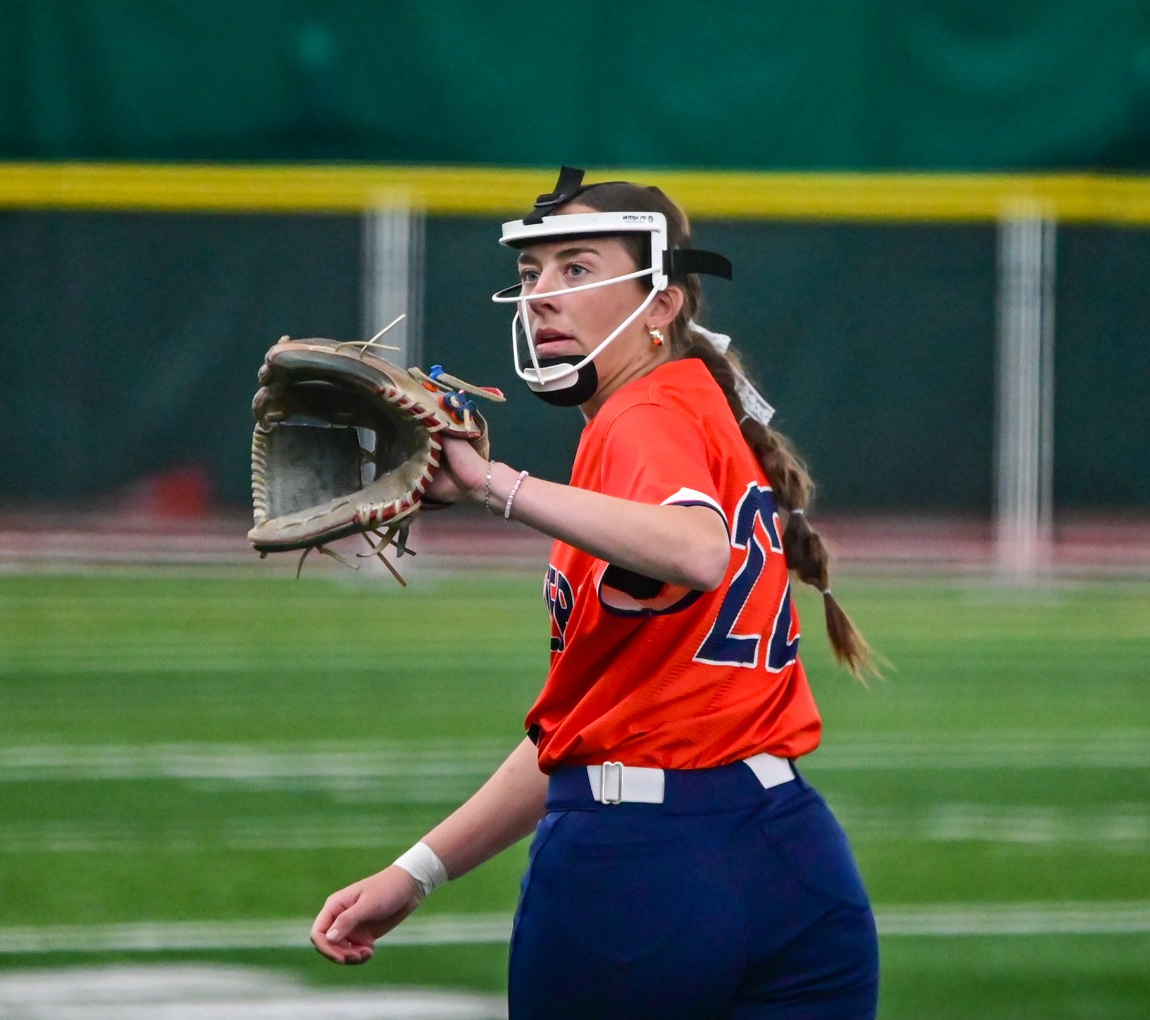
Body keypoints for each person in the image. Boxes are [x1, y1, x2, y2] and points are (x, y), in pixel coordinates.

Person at [310, 167, 880, 1019]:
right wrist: (418, 871)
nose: (541, 296)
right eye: (534, 274)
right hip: (792, 854)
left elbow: (695, 551)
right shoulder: (691, 409)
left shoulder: (641, 417)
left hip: (640, 873)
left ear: (660, 304)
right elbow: (588, 729)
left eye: (576, 269)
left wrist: (495, 485)